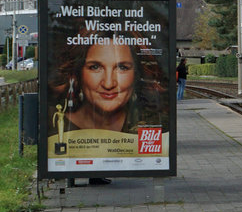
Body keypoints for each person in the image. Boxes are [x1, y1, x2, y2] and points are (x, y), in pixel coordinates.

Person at [48, 31, 168, 185]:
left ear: (136, 74)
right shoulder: (54, 124)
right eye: (95, 67)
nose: (109, 83)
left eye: (122, 68)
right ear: (78, 73)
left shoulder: (156, 124)